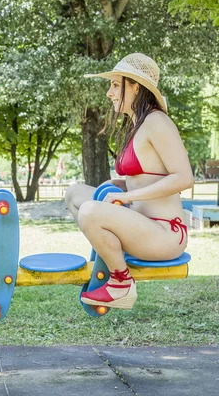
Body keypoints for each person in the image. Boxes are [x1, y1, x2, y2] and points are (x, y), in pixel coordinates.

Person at [64, 53, 193, 309]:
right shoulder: (138, 124)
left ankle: (121, 283)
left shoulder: (157, 121)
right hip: (141, 224)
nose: (109, 93)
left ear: (135, 86)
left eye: (114, 84)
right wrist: (124, 185)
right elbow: (147, 176)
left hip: (165, 234)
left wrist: (127, 197)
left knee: (90, 211)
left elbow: (184, 178)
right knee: (75, 194)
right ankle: (115, 254)